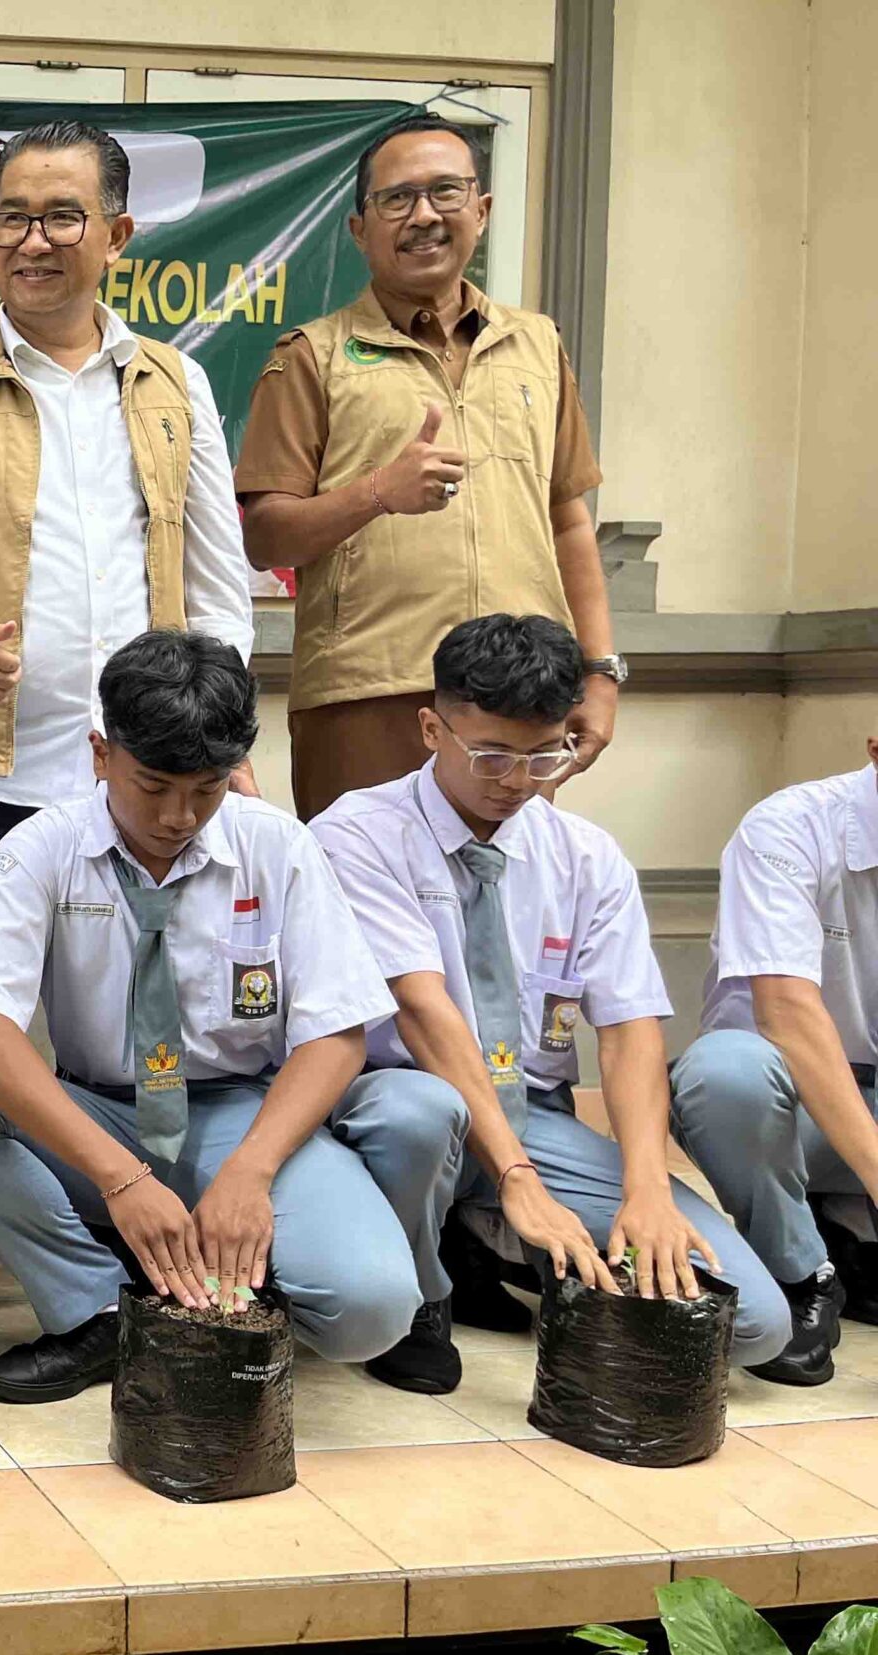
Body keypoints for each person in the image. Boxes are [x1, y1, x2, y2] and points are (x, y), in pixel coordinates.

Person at [0, 118, 254, 1345]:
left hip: (142, 778)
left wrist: (224, 740)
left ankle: (121, 1228)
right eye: (11, 216)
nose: (32, 239)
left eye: (61, 215)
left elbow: (218, 582)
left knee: (129, 1020)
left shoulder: (173, 386)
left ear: (116, 234)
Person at [0, 630, 429, 1402]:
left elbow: (337, 1032)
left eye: (207, 788)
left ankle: (215, 1292)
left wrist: (251, 1173)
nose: (179, 816)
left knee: (369, 1311)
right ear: (100, 753)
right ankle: (97, 1309)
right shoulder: (42, 846)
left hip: (242, 1115)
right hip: (102, 1115)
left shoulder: (278, 845)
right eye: (153, 785)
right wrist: (121, 1177)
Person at [310, 614, 791, 1394]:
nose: (515, 779)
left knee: (752, 1323)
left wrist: (647, 1187)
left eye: (544, 755)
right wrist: (516, 1177)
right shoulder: (358, 835)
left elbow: (631, 1030)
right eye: (492, 754)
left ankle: (487, 1243)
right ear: (432, 728)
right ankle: (422, 1285)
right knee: (418, 1112)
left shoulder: (586, 857)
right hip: (399, 1104)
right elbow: (423, 1013)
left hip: (535, 1113)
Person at [235, 115, 617, 822]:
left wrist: (600, 673)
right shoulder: (313, 356)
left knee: (508, 886)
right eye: (397, 199)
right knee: (362, 887)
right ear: (359, 229)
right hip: (368, 694)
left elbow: (568, 521)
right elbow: (265, 536)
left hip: (522, 700)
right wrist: (379, 492)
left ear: (482, 209)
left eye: (445, 192)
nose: (424, 216)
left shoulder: (538, 346)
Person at [668, 734, 878, 1383]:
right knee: (723, 1076)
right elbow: (786, 1014)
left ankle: (854, 1237)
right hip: (783, 1098)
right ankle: (802, 1272)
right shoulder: (788, 827)